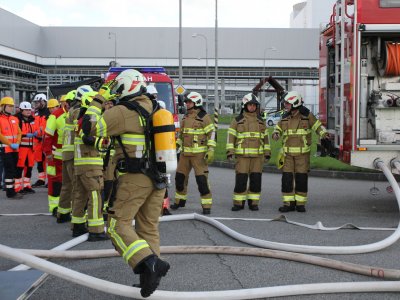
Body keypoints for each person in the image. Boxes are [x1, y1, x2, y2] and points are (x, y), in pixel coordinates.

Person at [83, 69, 170, 298]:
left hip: (135, 178)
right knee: (148, 227)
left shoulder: (123, 111)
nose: (116, 93)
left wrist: (100, 98)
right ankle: (150, 280)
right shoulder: (156, 108)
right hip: (158, 179)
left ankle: (150, 262)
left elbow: (88, 126)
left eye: (118, 88)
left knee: (115, 225)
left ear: (127, 87)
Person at [272, 91, 329, 213]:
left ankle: (300, 204)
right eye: (285, 103)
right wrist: (276, 133)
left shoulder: (307, 116)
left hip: (302, 156)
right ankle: (288, 204)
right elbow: (278, 128)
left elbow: (317, 126)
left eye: (287, 103)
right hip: (287, 155)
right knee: (287, 180)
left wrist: (324, 134)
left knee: (301, 179)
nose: (285, 105)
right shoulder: (285, 117)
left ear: (295, 103)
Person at [170, 91, 216, 215]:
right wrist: (176, 145)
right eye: (186, 102)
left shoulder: (204, 117)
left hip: (199, 156)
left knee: (202, 181)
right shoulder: (185, 117)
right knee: (180, 179)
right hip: (184, 155)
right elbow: (181, 135)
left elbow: (212, 134)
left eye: (189, 102)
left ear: (196, 103)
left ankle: (206, 206)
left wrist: (210, 149)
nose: (187, 104)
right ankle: (180, 201)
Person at [226, 93, 271, 211]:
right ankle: (238, 203)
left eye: (254, 105)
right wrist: (230, 151)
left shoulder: (261, 121)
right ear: (245, 105)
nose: (252, 107)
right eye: (250, 105)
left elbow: (266, 139)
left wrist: (267, 153)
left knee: (256, 180)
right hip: (242, 157)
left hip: (257, 157)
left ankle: (253, 203)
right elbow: (230, 137)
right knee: (241, 180)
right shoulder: (237, 120)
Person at [57, 90, 79, 223]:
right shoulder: (76, 112)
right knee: (77, 186)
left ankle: (63, 213)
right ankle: (76, 216)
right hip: (73, 155)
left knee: (66, 185)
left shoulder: (68, 114)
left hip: (66, 154)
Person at [43, 98, 65, 216]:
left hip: (68, 156)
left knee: (68, 183)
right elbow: (47, 137)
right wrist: (48, 153)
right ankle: (54, 207)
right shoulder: (56, 116)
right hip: (55, 157)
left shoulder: (75, 113)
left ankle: (65, 206)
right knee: (55, 182)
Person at [0, 96, 22, 199]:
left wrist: (17, 142)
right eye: (9, 106)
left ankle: (12, 189)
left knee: (13, 170)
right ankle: (10, 192)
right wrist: (9, 144)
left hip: (15, 149)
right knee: (9, 170)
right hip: (6, 149)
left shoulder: (14, 119)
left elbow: (19, 133)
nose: (11, 108)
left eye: (12, 106)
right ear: (3, 107)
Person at [15, 101, 39, 194]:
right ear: (21, 110)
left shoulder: (32, 120)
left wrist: (37, 133)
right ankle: (17, 187)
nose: (28, 111)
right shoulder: (17, 120)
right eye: (26, 110)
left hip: (31, 148)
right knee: (20, 167)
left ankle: (26, 185)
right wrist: (25, 135)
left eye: (29, 109)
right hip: (22, 148)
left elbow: (35, 130)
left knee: (29, 167)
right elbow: (17, 133)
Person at [32, 93, 50, 187]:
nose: (36, 104)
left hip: (45, 140)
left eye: (37, 102)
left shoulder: (48, 113)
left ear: (43, 102)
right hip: (37, 141)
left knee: (49, 161)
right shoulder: (36, 113)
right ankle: (41, 179)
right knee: (39, 161)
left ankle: (50, 180)